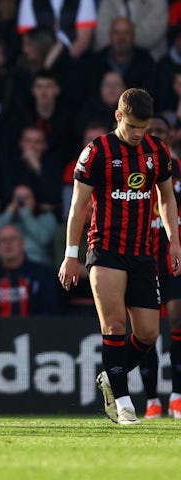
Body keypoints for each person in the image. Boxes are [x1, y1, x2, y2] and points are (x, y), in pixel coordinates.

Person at [59, 88, 181, 425]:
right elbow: (78, 206)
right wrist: (72, 255)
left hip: (143, 254)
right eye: (132, 127)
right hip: (106, 250)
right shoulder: (97, 151)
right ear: (118, 117)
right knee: (114, 325)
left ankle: (111, 378)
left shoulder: (157, 151)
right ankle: (124, 404)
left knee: (148, 333)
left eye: (143, 128)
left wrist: (174, 241)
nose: (138, 134)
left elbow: (167, 198)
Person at [137, 115, 181, 419]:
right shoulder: (132, 169)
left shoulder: (177, 170)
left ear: (171, 135)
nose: (155, 135)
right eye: (150, 131)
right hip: (141, 259)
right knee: (146, 332)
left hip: (171, 259)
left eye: (160, 131)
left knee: (177, 321)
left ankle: (177, 395)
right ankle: (152, 399)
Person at [0, 224, 59, 316]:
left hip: (35, 329)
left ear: (22, 243)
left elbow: (50, 310)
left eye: (13, 239)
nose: (8, 244)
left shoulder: (43, 274)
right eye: (3, 240)